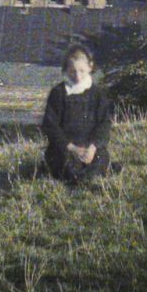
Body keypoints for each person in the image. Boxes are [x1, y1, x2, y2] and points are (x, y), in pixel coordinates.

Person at [41, 41, 115, 186]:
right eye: (73, 71)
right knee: (64, 163)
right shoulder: (58, 93)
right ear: (66, 70)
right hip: (66, 148)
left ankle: (86, 179)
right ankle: (78, 179)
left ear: (90, 67)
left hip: (90, 148)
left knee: (100, 158)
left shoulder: (98, 94)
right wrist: (72, 148)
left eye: (81, 70)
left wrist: (92, 148)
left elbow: (104, 124)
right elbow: (50, 126)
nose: (77, 76)